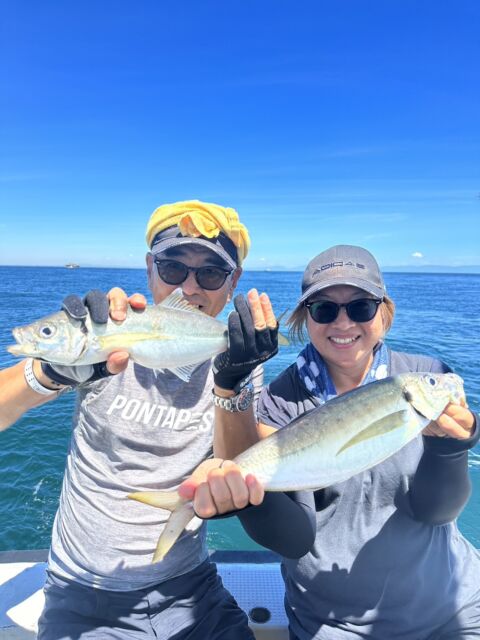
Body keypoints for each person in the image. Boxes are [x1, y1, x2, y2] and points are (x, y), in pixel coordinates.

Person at [0, 199, 279, 640]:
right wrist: (51, 371)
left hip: (191, 588)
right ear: (150, 269)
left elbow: (238, 470)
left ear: (233, 282)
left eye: (210, 273)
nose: (190, 288)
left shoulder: (238, 360)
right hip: (82, 594)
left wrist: (231, 385)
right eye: (173, 268)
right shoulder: (105, 335)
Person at [182, 245, 480, 640]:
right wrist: (248, 496)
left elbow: (436, 511)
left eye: (360, 307)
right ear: (305, 318)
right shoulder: (280, 401)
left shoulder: (424, 375)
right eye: (324, 309)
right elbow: (294, 538)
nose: (343, 322)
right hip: (335, 626)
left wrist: (450, 447)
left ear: (384, 313)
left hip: (455, 610)